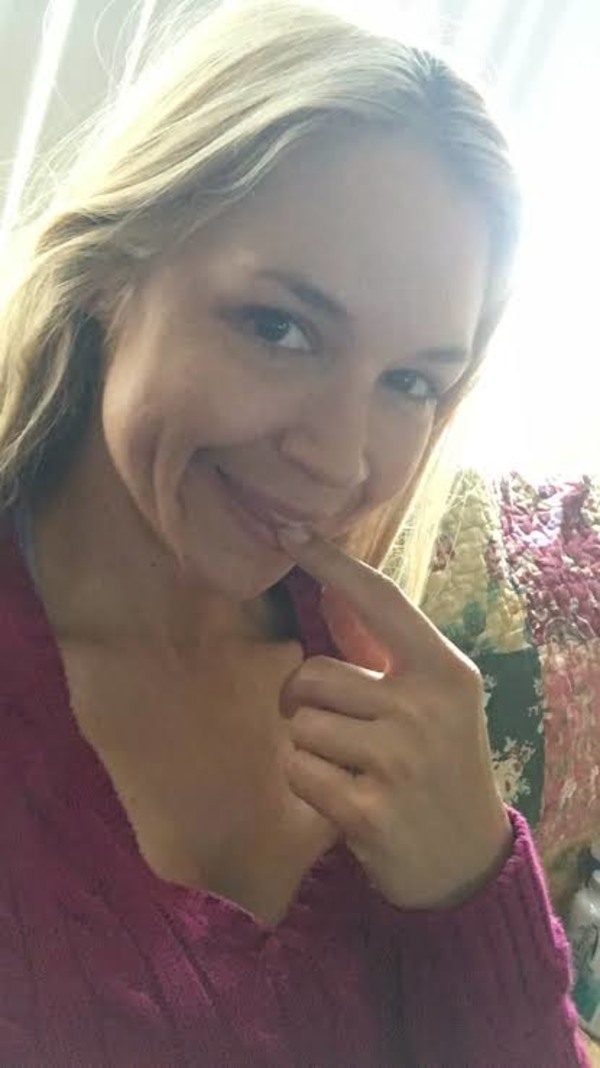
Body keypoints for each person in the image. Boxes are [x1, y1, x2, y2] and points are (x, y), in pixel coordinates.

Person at [0, 0, 589, 1064]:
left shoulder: (380, 688)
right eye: (281, 327)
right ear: (109, 272)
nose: (342, 460)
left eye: (411, 382)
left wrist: (471, 883)